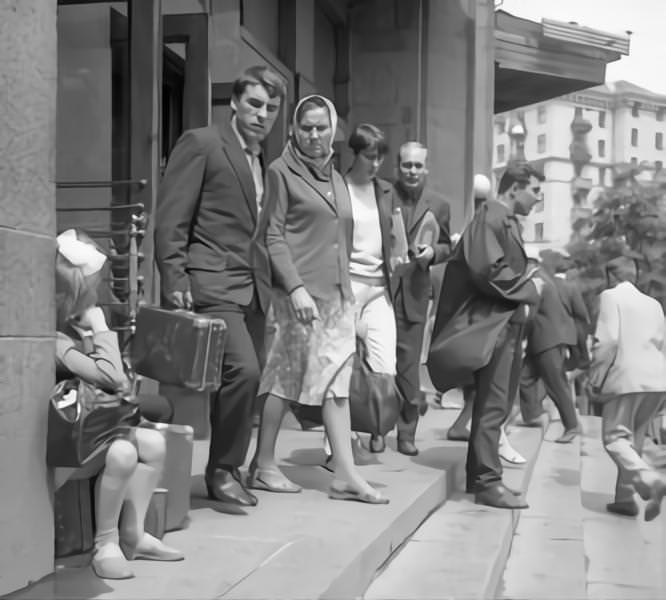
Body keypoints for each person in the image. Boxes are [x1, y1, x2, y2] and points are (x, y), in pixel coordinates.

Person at [154, 65, 286, 507]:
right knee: (243, 370)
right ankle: (224, 470)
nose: (262, 114)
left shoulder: (264, 162)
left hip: (252, 290)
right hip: (210, 281)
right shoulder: (203, 143)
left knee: (244, 380)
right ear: (234, 102)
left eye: (270, 107)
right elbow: (172, 216)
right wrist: (174, 277)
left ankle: (226, 467)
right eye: (254, 103)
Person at [248, 96, 388, 504]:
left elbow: (342, 238)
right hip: (302, 297)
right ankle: (265, 465)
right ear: (293, 129)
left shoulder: (336, 177)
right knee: (284, 378)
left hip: (338, 295)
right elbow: (271, 234)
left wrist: (351, 292)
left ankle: (344, 474)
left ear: (333, 131)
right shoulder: (280, 172)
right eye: (306, 127)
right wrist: (293, 288)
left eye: (321, 128)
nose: (313, 135)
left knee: (336, 386)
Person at [55, 229, 183, 580]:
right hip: (67, 440)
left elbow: (118, 381)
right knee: (124, 453)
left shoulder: (74, 329)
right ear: (76, 289)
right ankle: (106, 544)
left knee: (154, 443)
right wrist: (99, 327)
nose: (99, 292)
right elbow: (113, 377)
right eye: (93, 284)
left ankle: (134, 535)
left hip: (91, 427)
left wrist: (93, 332)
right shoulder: (57, 339)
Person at [431, 162, 544, 509]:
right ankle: (487, 482)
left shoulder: (501, 220)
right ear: (515, 187)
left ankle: (481, 477)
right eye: (535, 191)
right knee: (493, 405)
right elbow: (488, 269)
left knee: (492, 405)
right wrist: (530, 288)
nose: (538, 199)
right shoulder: (491, 217)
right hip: (491, 325)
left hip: (500, 325)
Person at [370, 141, 452, 456]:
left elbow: (446, 244)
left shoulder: (440, 204)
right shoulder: (381, 195)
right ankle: (376, 429)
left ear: (426, 168)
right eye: (407, 165)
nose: (412, 171)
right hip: (382, 291)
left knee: (407, 368)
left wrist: (433, 253)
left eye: (418, 165)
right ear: (398, 167)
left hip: (415, 293)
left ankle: (406, 433)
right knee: (378, 364)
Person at [589, 256, 666, 520]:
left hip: (626, 377)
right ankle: (624, 499)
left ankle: (649, 478)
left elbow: (607, 340)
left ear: (611, 276)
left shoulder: (611, 297)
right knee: (635, 441)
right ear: (634, 275)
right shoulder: (654, 304)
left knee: (615, 439)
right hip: (657, 379)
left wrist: (596, 377)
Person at [519, 258, 580, 442]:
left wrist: (519, 333)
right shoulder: (543, 278)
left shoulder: (537, 281)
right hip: (542, 340)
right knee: (524, 377)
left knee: (556, 384)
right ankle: (533, 414)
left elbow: (530, 314)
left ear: (528, 264)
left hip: (547, 340)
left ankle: (571, 426)